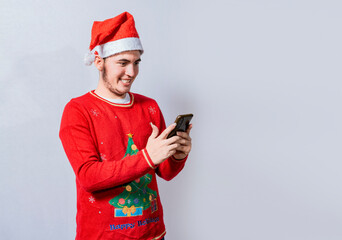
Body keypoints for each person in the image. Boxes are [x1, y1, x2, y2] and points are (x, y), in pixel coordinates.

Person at [59, 12, 192, 240]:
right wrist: (148, 156)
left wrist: (177, 155)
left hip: (152, 233)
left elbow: (164, 173)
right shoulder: (78, 110)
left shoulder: (149, 106)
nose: (131, 72)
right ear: (99, 62)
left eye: (136, 62)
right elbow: (88, 177)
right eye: (122, 63)